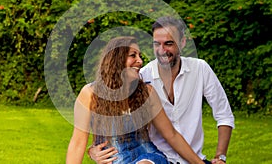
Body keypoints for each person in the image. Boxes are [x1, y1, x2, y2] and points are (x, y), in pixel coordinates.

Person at [88, 17, 235, 164]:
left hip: (194, 160)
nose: (162, 50)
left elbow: (224, 115)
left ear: (182, 42)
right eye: (156, 44)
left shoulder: (200, 69)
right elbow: (116, 120)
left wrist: (220, 157)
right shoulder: (141, 77)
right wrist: (93, 150)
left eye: (169, 43)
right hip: (154, 158)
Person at [66, 36, 206, 164]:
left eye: (139, 55)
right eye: (133, 55)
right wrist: (92, 151)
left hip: (147, 157)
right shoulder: (90, 93)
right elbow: (78, 143)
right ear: (116, 60)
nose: (140, 61)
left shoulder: (146, 93)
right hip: (117, 159)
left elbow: (171, 135)